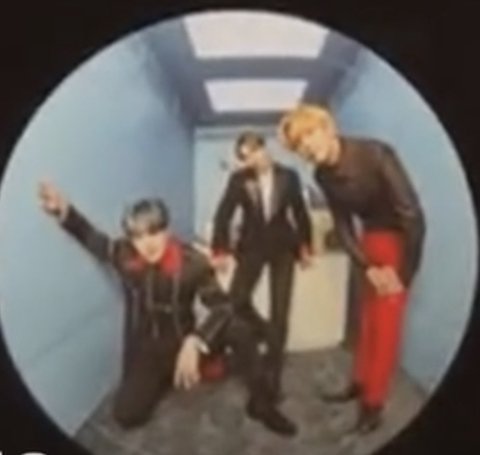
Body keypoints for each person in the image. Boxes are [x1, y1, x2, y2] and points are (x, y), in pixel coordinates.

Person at [37, 181, 297, 436]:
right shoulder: (126, 255)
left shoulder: (192, 262)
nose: (147, 243)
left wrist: (196, 340)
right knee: (127, 415)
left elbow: (222, 306)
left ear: (166, 231)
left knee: (239, 328)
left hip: (185, 341)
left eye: (154, 232)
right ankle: (176, 375)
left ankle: (262, 402)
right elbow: (95, 240)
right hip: (149, 350)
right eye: (138, 236)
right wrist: (64, 210)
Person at [278, 104, 426, 434]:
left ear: (328, 128)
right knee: (367, 320)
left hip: (399, 242)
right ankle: (359, 383)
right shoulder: (321, 175)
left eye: (309, 134)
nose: (307, 147)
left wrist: (403, 276)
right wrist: (366, 264)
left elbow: (413, 217)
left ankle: (373, 406)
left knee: (386, 328)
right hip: (369, 241)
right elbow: (343, 225)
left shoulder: (376, 154)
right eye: (299, 146)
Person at [210, 131, 313, 403]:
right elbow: (223, 214)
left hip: (283, 247)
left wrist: (305, 246)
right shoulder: (238, 180)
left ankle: (273, 377)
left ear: (265, 148)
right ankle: (267, 332)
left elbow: (300, 212)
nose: (253, 159)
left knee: (281, 309)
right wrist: (220, 250)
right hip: (252, 247)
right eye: (246, 157)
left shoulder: (289, 176)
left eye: (255, 151)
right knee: (236, 300)